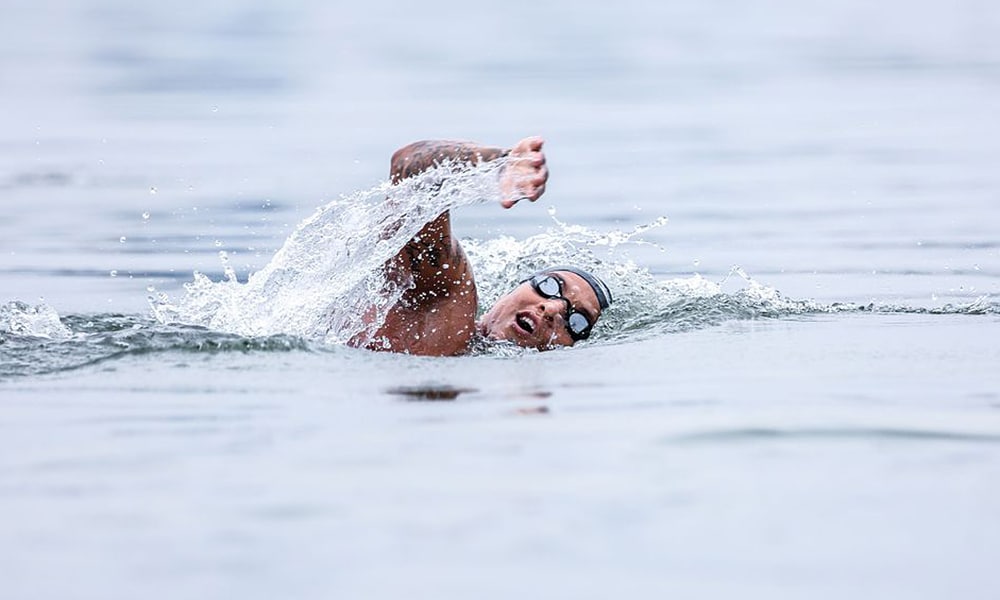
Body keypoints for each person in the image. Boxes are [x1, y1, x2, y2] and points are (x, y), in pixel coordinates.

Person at [351, 136, 612, 356]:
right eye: (550, 286)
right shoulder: (446, 304)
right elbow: (410, 164)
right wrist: (501, 163)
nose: (553, 309)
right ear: (509, 292)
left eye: (577, 321)